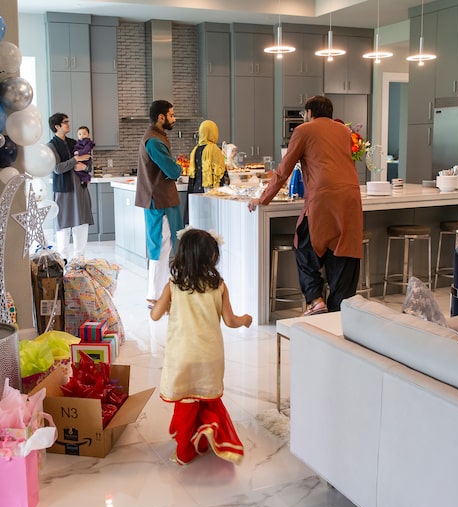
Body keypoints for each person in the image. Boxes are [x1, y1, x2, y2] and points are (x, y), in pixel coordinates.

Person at [248, 96, 362, 315]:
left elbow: (283, 170)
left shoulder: (304, 130)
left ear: (309, 112)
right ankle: (339, 315)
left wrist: (263, 199)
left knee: (303, 248)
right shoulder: (344, 132)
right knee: (343, 255)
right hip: (351, 199)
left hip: (323, 198)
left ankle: (315, 299)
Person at [150, 227, 252, 465]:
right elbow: (230, 320)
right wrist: (245, 319)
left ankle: (185, 452)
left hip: (182, 358)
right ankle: (205, 437)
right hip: (210, 356)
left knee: (186, 404)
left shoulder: (173, 286)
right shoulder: (219, 286)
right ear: (210, 257)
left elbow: (155, 315)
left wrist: (163, 305)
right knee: (207, 398)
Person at [135, 99, 184, 307]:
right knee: (161, 248)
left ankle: (159, 295)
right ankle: (155, 297)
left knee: (162, 247)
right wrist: (179, 168)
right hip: (160, 201)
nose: (174, 119)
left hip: (160, 200)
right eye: (171, 115)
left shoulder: (156, 137)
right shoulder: (154, 141)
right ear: (161, 117)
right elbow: (173, 171)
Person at [46, 112, 93, 260]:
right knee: (63, 226)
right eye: (65, 122)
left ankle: (79, 260)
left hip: (80, 189)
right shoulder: (51, 146)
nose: (69, 124)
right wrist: (74, 160)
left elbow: (88, 162)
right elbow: (57, 168)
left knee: (81, 225)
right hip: (64, 191)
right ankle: (63, 261)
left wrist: (84, 168)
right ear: (57, 126)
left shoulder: (75, 143)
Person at [184, 119, 228, 224]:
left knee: (198, 222)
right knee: (211, 223)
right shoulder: (214, 149)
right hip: (210, 192)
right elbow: (221, 173)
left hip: (195, 191)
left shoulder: (195, 150)